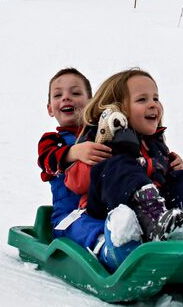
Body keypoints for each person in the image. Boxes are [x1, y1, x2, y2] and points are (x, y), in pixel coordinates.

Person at [66, 68, 183, 254]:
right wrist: (91, 158)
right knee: (120, 165)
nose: (153, 104)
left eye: (155, 98)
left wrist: (172, 169)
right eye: (142, 99)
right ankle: (155, 223)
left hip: (161, 211)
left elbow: (166, 179)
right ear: (117, 108)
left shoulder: (154, 144)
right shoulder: (100, 138)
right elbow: (75, 183)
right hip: (110, 211)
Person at [37, 68, 119, 264]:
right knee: (82, 227)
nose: (66, 98)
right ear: (50, 108)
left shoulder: (103, 137)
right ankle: (105, 247)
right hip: (70, 217)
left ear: (91, 103)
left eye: (75, 93)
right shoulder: (53, 141)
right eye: (58, 95)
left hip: (106, 212)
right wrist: (74, 152)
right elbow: (47, 161)